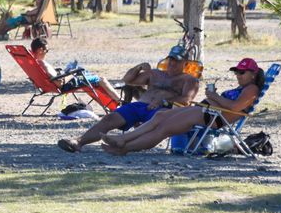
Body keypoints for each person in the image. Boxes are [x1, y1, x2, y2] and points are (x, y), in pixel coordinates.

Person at [100, 58, 264, 156]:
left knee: (163, 129)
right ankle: (123, 139)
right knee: (160, 116)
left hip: (213, 117)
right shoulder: (244, 88)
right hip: (204, 111)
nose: (238, 76)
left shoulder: (252, 89)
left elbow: (235, 107)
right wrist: (213, 98)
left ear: (253, 74)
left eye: (242, 73)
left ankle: (125, 147)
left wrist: (214, 96)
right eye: (237, 72)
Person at [57, 45, 200, 153]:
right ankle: (78, 142)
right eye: (171, 60)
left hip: (163, 110)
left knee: (152, 126)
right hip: (139, 106)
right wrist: (139, 67)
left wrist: (164, 101)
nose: (172, 64)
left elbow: (186, 100)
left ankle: (123, 145)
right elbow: (128, 80)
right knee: (109, 119)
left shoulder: (189, 80)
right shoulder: (155, 74)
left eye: (177, 61)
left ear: (185, 64)